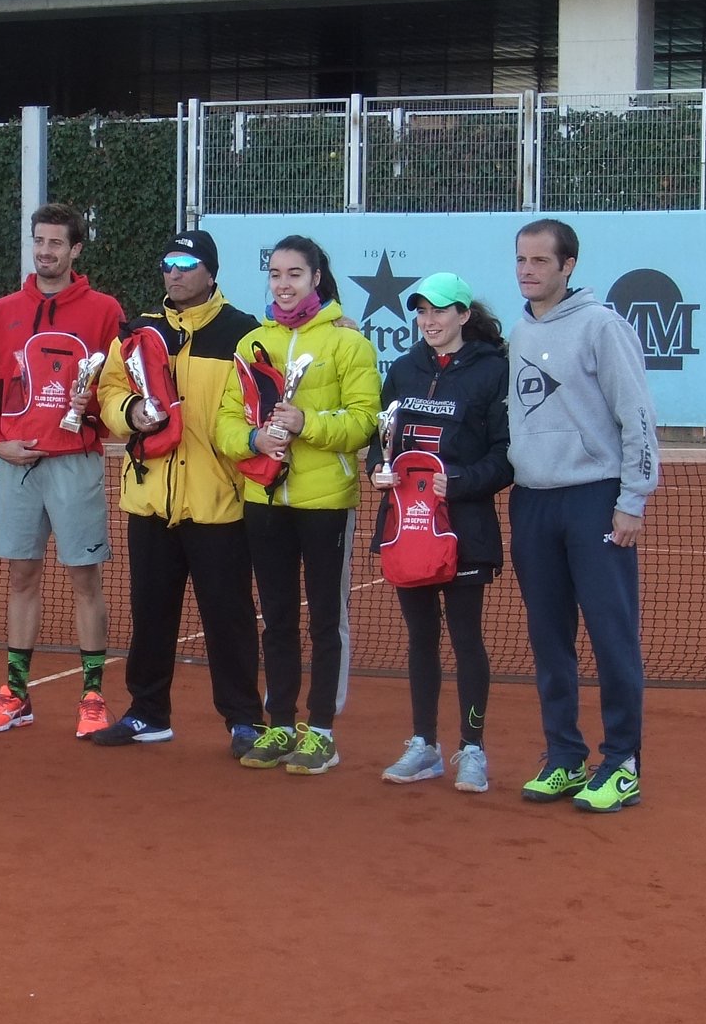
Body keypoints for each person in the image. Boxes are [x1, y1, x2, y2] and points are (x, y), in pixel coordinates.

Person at [87, 230, 267, 753]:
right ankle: (148, 713)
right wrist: (131, 413)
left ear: (211, 272)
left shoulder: (244, 333)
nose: (175, 273)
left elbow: (256, 402)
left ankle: (244, 720)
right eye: (168, 263)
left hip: (219, 503)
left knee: (229, 618)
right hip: (150, 501)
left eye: (187, 264)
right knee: (150, 614)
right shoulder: (139, 331)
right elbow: (110, 391)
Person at [507, 218, 659, 813]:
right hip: (532, 502)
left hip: (594, 499)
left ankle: (622, 762)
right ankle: (565, 756)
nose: (527, 271)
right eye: (521, 260)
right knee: (549, 638)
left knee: (611, 635)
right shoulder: (520, 331)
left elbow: (637, 416)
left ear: (567, 266)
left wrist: (631, 500)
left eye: (540, 261)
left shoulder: (602, 327)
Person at [215, 236, 380, 775]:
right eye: (276, 274)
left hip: (326, 501)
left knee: (326, 620)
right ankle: (281, 723)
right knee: (277, 617)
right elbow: (226, 421)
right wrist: (254, 440)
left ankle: (322, 731)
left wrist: (306, 423)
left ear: (316, 279)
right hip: (264, 500)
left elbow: (363, 422)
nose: (283, 284)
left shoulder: (348, 344)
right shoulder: (251, 344)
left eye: (294, 274)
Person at [0, 204, 125, 739]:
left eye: (56, 242)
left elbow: (117, 387)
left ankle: (92, 696)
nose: (45, 251)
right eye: (39, 240)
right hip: (16, 464)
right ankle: (16, 693)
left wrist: (94, 408)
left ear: (75, 249)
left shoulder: (104, 311)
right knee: (21, 577)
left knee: (85, 579)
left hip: (76, 462)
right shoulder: (2, 312)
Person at [368, 273, 513, 793]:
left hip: (465, 527)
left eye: (440, 311)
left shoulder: (493, 371)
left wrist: (461, 481)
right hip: (408, 526)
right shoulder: (404, 370)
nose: (429, 321)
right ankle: (423, 745)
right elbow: (381, 438)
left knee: (466, 638)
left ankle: (472, 749)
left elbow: (506, 454)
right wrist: (377, 469)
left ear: (463, 315)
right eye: (422, 311)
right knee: (420, 636)